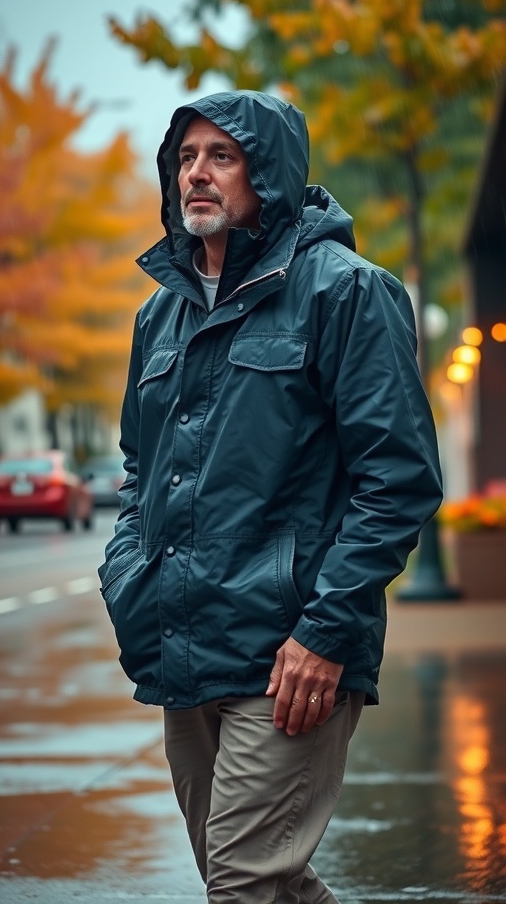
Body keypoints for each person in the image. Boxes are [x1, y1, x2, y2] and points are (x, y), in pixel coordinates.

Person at [99, 90, 443, 903]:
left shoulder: (345, 292)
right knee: (267, 884)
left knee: (242, 882)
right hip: (182, 649)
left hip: (293, 655)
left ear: (270, 173)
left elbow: (397, 479)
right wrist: (127, 576)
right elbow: (139, 469)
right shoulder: (159, 315)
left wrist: (324, 632)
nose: (197, 174)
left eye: (222, 156)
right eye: (186, 157)